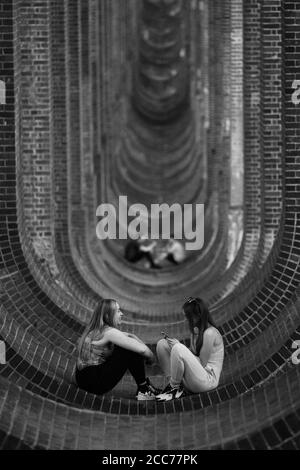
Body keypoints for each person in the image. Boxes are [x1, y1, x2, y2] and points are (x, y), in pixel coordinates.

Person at [75, 299, 161, 400]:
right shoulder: (109, 332)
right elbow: (142, 350)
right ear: (107, 316)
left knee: (127, 344)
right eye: (118, 311)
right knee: (128, 349)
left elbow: (129, 336)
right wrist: (152, 358)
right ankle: (144, 390)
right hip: (94, 383)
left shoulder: (97, 329)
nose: (122, 314)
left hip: (82, 379)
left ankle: (144, 387)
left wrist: (134, 337)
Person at [155, 297, 224, 401]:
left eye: (187, 316)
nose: (186, 319)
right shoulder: (195, 330)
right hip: (195, 377)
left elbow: (201, 364)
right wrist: (177, 347)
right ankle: (175, 387)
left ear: (198, 315)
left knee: (178, 348)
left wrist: (178, 346)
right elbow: (192, 358)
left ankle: (174, 388)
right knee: (162, 344)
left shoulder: (210, 333)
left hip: (207, 381)